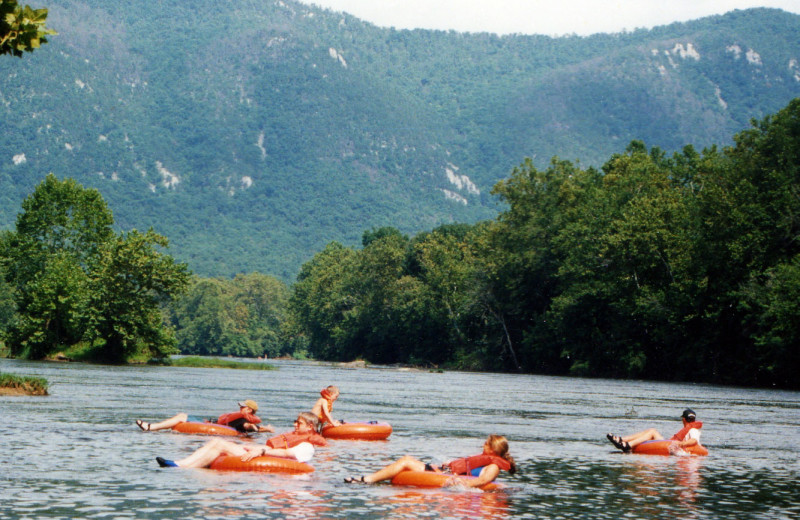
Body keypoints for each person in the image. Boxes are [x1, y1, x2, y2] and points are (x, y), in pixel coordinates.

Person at [156, 412, 327, 468]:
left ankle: (180, 466)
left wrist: (261, 450)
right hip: (263, 454)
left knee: (219, 444)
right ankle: (182, 464)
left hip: (265, 458)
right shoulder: (297, 438)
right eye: (296, 422)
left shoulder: (307, 445)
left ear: (310, 427)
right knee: (217, 443)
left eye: (299, 423)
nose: (295, 424)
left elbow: (287, 453)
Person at [344, 434, 516, 488]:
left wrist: (458, 484)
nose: (482, 445)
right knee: (406, 459)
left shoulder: (493, 466)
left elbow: (482, 481)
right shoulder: (487, 461)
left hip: (445, 477)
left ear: (493, 450)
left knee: (405, 461)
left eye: (486, 444)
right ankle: (369, 479)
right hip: (443, 472)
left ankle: (367, 479)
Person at [136, 399, 274, 434]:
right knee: (181, 417)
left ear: (249, 409)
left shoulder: (243, 420)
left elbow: (247, 426)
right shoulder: (241, 417)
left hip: (214, 427)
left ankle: (151, 427)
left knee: (181, 416)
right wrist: (265, 429)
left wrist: (255, 428)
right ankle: (153, 428)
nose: (240, 407)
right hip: (210, 422)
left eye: (243, 406)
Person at [607, 408, 703, 453]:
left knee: (652, 432)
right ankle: (622, 440)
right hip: (671, 444)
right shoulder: (690, 429)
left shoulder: (693, 430)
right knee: (652, 431)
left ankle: (627, 444)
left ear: (684, 419)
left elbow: (694, 441)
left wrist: (680, 444)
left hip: (675, 446)